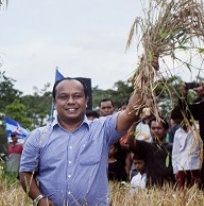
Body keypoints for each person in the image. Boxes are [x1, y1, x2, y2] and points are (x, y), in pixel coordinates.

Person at [19, 76, 143, 206]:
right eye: (63, 97)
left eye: (77, 96)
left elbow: (131, 113)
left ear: (86, 101)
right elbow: (26, 172)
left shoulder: (102, 129)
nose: (71, 101)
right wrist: (39, 199)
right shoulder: (37, 136)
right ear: (54, 102)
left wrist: (144, 75)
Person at [126, 117, 174, 187]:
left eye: (159, 128)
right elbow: (130, 141)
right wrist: (135, 123)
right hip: (152, 188)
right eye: (153, 128)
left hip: (171, 187)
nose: (156, 131)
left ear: (166, 130)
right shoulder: (146, 147)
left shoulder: (173, 147)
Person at [171, 107, 201, 189]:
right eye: (178, 124)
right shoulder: (177, 133)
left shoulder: (198, 129)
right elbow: (175, 153)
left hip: (196, 166)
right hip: (182, 167)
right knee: (182, 192)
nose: (180, 125)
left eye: (181, 122)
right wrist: (175, 170)